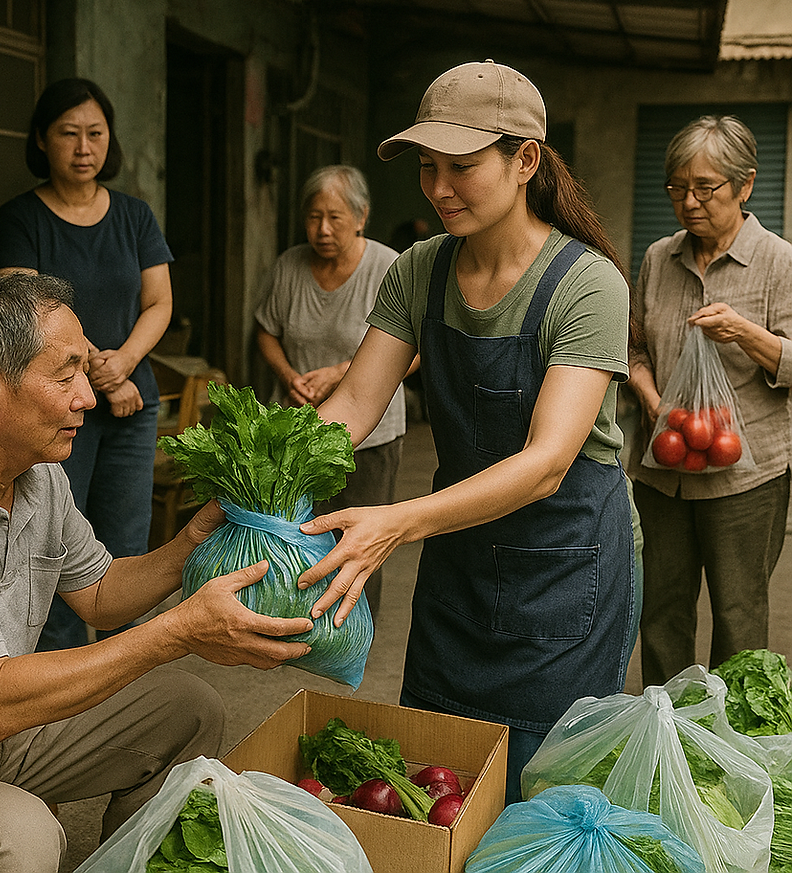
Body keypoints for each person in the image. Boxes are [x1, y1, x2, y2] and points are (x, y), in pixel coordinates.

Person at [0, 273, 313, 872]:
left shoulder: (38, 474)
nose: (89, 397)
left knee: (188, 709)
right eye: (65, 374)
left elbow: (99, 595)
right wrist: (175, 633)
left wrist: (191, 542)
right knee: (24, 839)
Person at [295, 61, 637, 804]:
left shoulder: (587, 284)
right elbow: (353, 404)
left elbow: (547, 463)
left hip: (563, 568)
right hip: (461, 564)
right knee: (434, 785)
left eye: (461, 167)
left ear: (525, 161)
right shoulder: (419, 270)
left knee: (541, 794)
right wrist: (263, 484)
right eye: (426, 168)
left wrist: (398, 522)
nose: (438, 188)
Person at [0, 78, 173, 650]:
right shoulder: (21, 217)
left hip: (131, 403)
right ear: (43, 140)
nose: (84, 147)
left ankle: (123, 680)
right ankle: (58, 687)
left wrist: (125, 363)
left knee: (125, 548)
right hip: (50, 404)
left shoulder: (134, 216)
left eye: (95, 133)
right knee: (55, 552)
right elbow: (22, 309)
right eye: (69, 134)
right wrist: (99, 372)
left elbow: (159, 302)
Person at [626, 114, 792, 687]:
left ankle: (735, 749)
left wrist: (745, 332)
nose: (689, 202)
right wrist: (649, 398)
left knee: (739, 615)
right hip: (663, 468)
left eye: (705, 188)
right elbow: (636, 350)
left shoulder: (778, 261)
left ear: (744, 186)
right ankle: (670, 732)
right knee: (662, 611)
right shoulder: (658, 258)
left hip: (746, 479)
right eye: (677, 188)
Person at [255, 165, 411, 616]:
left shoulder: (389, 268)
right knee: (295, 529)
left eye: (335, 218)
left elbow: (415, 350)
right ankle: (298, 622)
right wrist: (289, 376)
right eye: (313, 217)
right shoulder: (289, 265)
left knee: (360, 537)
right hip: (298, 425)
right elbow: (266, 331)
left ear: (362, 216)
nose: (322, 230)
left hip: (371, 434)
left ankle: (352, 629)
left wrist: (342, 374)